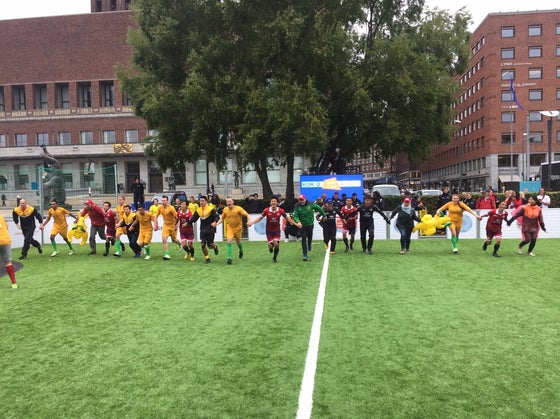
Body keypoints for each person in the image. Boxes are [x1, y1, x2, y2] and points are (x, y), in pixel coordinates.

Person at [249, 196, 291, 263]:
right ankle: (270, 248)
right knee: (270, 246)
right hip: (269, 230)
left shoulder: (281, 210)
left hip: (277, 230)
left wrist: (294, 223)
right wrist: (252, 222)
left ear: (277, 203)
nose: (273, 202)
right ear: (270, 203)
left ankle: (274, 258)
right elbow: (260, 218)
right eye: (272, 201)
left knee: (276, 244)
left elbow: (287, 218)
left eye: (275, 201)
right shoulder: (266, 210)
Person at [215, 197, 251, 265]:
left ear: (233, 202)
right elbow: (222, 219)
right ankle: (229, 258)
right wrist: (216, 224)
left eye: (230, 201)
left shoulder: (238, 209)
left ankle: (241, 250)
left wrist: (249, 221)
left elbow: (247, 215)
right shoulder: (225, 210)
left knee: (238, 242)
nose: (228, 203)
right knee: (229, 241)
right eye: (227, 202)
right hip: (230, 228)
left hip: (238, 228)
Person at [291, 194, 326, 261]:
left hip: (310, 224)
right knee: (303, 239)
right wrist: (298, 221)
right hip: (302, 225)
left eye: (302, 200)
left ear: (305, 199)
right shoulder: (297, 206)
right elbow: (295, 215)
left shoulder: (311, 204)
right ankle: (305, 254)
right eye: (300, 200)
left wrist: (324, 215)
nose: (301, 201)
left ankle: (309, 244)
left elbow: (319, 208)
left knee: (310, 236)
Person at [189, 196, 220, 264]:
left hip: (211, 229)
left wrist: (215, 222)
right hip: (203, 229)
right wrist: (187, 223)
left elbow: (217, 217)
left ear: (206, 201)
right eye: (200, 201)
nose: (201, 202)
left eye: (203, 201)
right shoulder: (198, 210)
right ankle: (207, 258)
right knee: (202, 244)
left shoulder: (211, 209)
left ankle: (215, 247)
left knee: (210, 245)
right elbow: (193, 219)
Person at [157, 195, 181, 260]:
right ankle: (167, 254)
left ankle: (180, 244)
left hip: (173, 225)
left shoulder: (171, 208)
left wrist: (177, 225)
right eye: (162, 201)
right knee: (164, 239)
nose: (163, 202)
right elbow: (156, 216)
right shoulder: (160, 207)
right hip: (166, 225)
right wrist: (155, 223)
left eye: (164, 200)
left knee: (174, 240)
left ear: (167, 201)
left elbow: (177, 217)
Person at [0, 214, 18, 288]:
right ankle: (14, 283)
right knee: (8, 262)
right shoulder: (1, 216)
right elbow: (7, 227)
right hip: (5, 240)